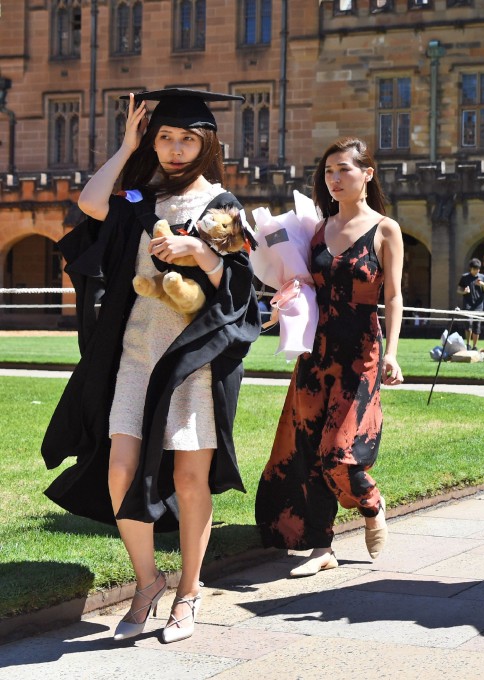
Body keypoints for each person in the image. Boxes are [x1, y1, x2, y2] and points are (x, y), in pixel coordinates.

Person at [41, 89, 261, 643]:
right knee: (120, 470)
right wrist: (125, 146)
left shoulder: (223, 207)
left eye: (187, 138)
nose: (176, 149)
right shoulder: (140, 199)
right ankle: (147, 582)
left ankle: (189, 593)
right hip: (136, 354)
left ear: (207, 143)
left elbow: (240, 293)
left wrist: (202, 255)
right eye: (165, 137)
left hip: (193, 360)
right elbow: (91, 205)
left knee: (190, 479)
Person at [256, 138, 404, 577]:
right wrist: (284, 301)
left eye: (343, 170)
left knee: (338, 451)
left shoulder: (385, 229)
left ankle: (372, 503)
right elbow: (303, 283)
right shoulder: (316, 229)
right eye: (328, 172)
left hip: (361, 352)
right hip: (316, 353)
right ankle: (321, 546)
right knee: (308, 448)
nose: (334, 179)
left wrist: (393, 352)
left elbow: (393, 296)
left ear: (367, 174)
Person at [458, 257, 484, 350]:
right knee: (468, 324)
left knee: (477, 326)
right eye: (475, 269)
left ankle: (475, 346)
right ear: (470, 268)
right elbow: (458, 289)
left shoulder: (482, 277)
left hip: (479, 306)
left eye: (478, 269)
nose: (477, 271)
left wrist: (482, 284)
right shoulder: (465, 277)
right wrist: (464, 291)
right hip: (468, 305)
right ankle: (468, 344)